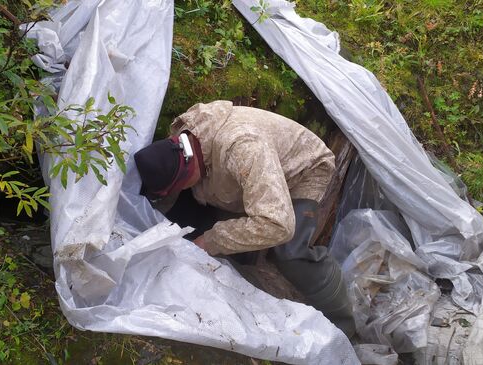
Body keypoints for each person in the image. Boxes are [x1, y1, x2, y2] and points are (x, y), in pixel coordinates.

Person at [134, 100, 355, 338]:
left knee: (289, 253)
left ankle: (345, 325)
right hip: (248, 173)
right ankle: (247, 267)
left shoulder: (243, 148)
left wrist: (210, 241)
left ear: (188, 173)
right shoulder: (182, 137)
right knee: (200, 219)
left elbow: (277, 223)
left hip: (302, 170)